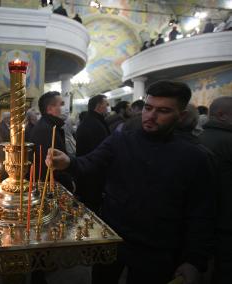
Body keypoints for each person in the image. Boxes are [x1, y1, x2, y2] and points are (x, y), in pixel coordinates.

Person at [48, 81, 215, 284]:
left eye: (163, 111)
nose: (151, 116)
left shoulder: (194, 157)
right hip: (113, 237)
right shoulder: (121, 141)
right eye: (148, 107)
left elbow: (200, 213)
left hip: (158, 248)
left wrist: (194, 260)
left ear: (180, 116)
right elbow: (90, 163)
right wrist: (68, 163)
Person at [199, 96, 232, 284]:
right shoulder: (229, 141)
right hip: (225, 219)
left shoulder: (197, 139)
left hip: (201, 217)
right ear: (221, 115)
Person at [30, 91, 73, 190]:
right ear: (49, 109)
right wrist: (68, 184)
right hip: (51, 187)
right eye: (61, 104)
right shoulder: (46, 130)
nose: (65, 108)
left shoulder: (50, 125)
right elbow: (53, 165)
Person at [75, 95, 110, 212]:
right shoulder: (94, 124)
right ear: (99, 106)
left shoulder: (90, 121)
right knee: (91, 204)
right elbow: (100, 151)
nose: (107, 107)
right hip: (92, 173)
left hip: (87, 170)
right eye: (106, 104)